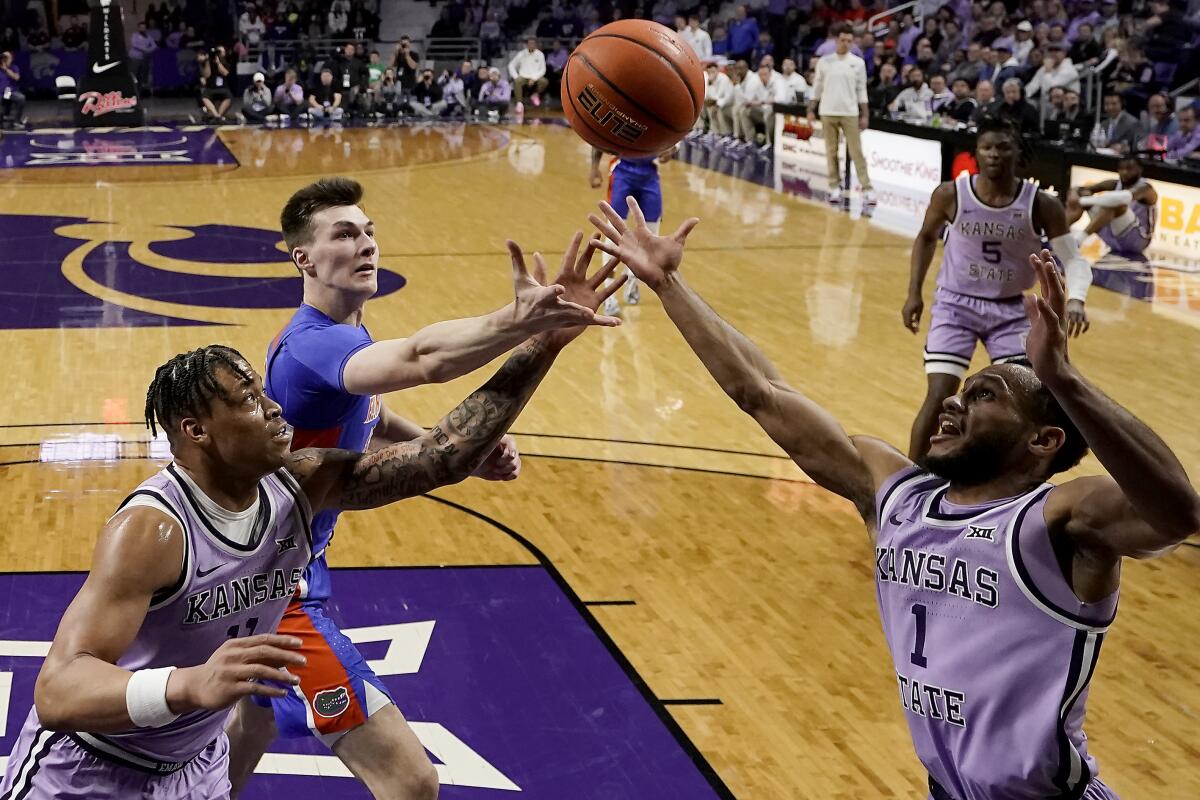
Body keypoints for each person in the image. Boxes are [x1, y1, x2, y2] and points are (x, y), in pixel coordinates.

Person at [587, 194, 1199, 800]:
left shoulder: (1060, 519)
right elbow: (763, 392)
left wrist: (1063, 377)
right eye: (961, 389)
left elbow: (1177, 514)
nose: (955, 400)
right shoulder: (896, 495)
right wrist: (671, 287)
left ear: (1042, 439)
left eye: (984, 395)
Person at [0, 239, 620, 799]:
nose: (275, 409)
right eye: (249, 401)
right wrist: (188, 686)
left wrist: (545, 341)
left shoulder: (304, 481)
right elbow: (58, 692)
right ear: (197, 433)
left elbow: (442, 456)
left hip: (194, 768)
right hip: (89, 771)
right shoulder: (154, 530)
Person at [221, 177, 627, 800]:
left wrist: (443, 436)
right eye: (345, 234)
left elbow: (372, 412)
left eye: (370, 231)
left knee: (253, 715)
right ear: (303, 258)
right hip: (277, 585)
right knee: (410, 782)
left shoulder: (329, 338)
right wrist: (517, 321)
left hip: (282, 558)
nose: (365, 244)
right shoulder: (313, 346)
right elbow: (422, 358)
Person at [901, 117, 1093, 464]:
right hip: (956, 305)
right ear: (976, 153)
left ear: (1018, 152)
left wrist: (1077, 299)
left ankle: (1004, 477)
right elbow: (926, 237)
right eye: (987, 147)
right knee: (941, 392)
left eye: (1003, 147)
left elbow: (1075, 261)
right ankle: (906, 484)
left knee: (1024, 398)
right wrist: (914, 292)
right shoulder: (951, 193)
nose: (994, 154)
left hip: (1010, 311)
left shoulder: (1042, 204)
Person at [589, 147, 674, 313]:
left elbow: (674, 138)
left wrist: (671, 149)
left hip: (650, 173)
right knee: (614, 235)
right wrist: (594, 167)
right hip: (622, 170)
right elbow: (600, 136)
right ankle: (608, 294)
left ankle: (632, 280)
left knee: (650, 236)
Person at [809, 23, 874, 207]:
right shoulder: (824, 61)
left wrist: (865, 115)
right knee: (831, 151)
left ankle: (867, 188)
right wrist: (810, 108)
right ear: (837, 40)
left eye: (850, 41)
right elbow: (817, 87)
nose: (846, 44)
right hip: (827, 111)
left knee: (856, 151)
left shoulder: (857, 63)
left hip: (850, 112)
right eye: (843, 40)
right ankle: (834, 187)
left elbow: (862, 90)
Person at [1067, 156, 1157, 258]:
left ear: (1139, 170)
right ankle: (1060, 234)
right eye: (1121, 169)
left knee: (1115, 203)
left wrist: (1081, 201)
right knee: (1083, 195)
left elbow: (1122, 198)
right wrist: (1076, 194)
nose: (1124, 172)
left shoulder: (1146, 188)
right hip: (1112, 237)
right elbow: (1079, 189)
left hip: (1138, 240)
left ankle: (1077, 241)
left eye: (1129, 169)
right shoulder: (1115, 183)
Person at [508, 36, 548, 108]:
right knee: (517, 81)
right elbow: (511, 65)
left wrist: (534, 78)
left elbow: (543, 69)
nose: (531, 45)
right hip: (523, 76)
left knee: (544, 82)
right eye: (530, 43)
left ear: (536, 45)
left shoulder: (540, 54)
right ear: (527, 44)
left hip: (535, 77)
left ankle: (535, 95)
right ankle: (519, 103)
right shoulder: (521, 54)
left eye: (533, 43)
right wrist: (516, 76)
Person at [197, 48, 233, 122]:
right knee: (204, 97)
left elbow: (225, 73)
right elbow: (207, 75)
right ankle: (216, 115)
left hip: (223, 88)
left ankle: (218, 116)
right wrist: (207, 62)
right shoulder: (207, 62)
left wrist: (218, 62)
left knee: (229, 97)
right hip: (211, 88)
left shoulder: (225, 62)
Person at [701, 63, 735, 136]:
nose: (711, 73)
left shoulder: (724, 79)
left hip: (729, 104)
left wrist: (717, 104)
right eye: (709, 72)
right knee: (707, 106)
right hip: (719, 103)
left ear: (717, 71)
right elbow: (707, 96)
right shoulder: (708, 80)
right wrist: (710, 84)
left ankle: (725, 133)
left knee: (717, 109)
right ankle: (714, 132)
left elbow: (727, 97)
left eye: (713, 71)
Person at [0, 50, 25, 128]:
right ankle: (3, 118)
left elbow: (16, 78)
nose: (6, 59)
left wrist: (6, 69)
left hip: (10, 91)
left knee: (21, 98)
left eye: (8, 57)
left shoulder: (14, 67)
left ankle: (16, 121)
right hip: (0, 92)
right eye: (4, 57)